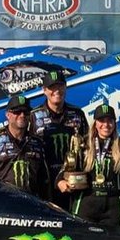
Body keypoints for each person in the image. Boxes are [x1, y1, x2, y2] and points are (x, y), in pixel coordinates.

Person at [66, 102, 120, 228]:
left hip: (114, 205)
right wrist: (63, 181)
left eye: (110, 120)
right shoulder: (82, 144)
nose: (106, 125)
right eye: (101, 120)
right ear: (95, 123)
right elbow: (67, 169)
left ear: (115, 123)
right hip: (87, 202)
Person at [0, 94, 51, 199]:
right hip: (3, 203)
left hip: (32, 204)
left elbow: (45, 180)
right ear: (8, 115)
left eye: (26, 112)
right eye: (17, 112)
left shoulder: (37, 143)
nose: (22, 115)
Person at [29, 69, 89, 205]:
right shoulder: (33, 116)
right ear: (44, 90)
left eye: (60, 86)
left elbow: (87, 146)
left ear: (66, 87)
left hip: (72, 180)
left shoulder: (77, 113)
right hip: (45, 181)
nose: (57, 90)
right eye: (52, 87)